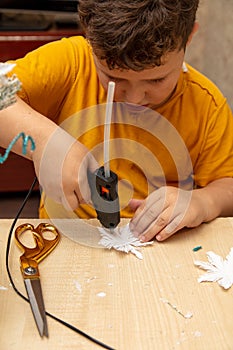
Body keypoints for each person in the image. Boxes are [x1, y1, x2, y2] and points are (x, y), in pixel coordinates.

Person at [0, 0, 232, 242]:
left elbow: (227, 185)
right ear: (90, 38)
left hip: (159, 250)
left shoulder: (207, 105)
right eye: (112, 77)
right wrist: (44, 140)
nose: (133, 98)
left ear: (189, 37)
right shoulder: (73, 62)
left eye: (156, 81)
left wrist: (203, 201)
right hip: (64, 240)